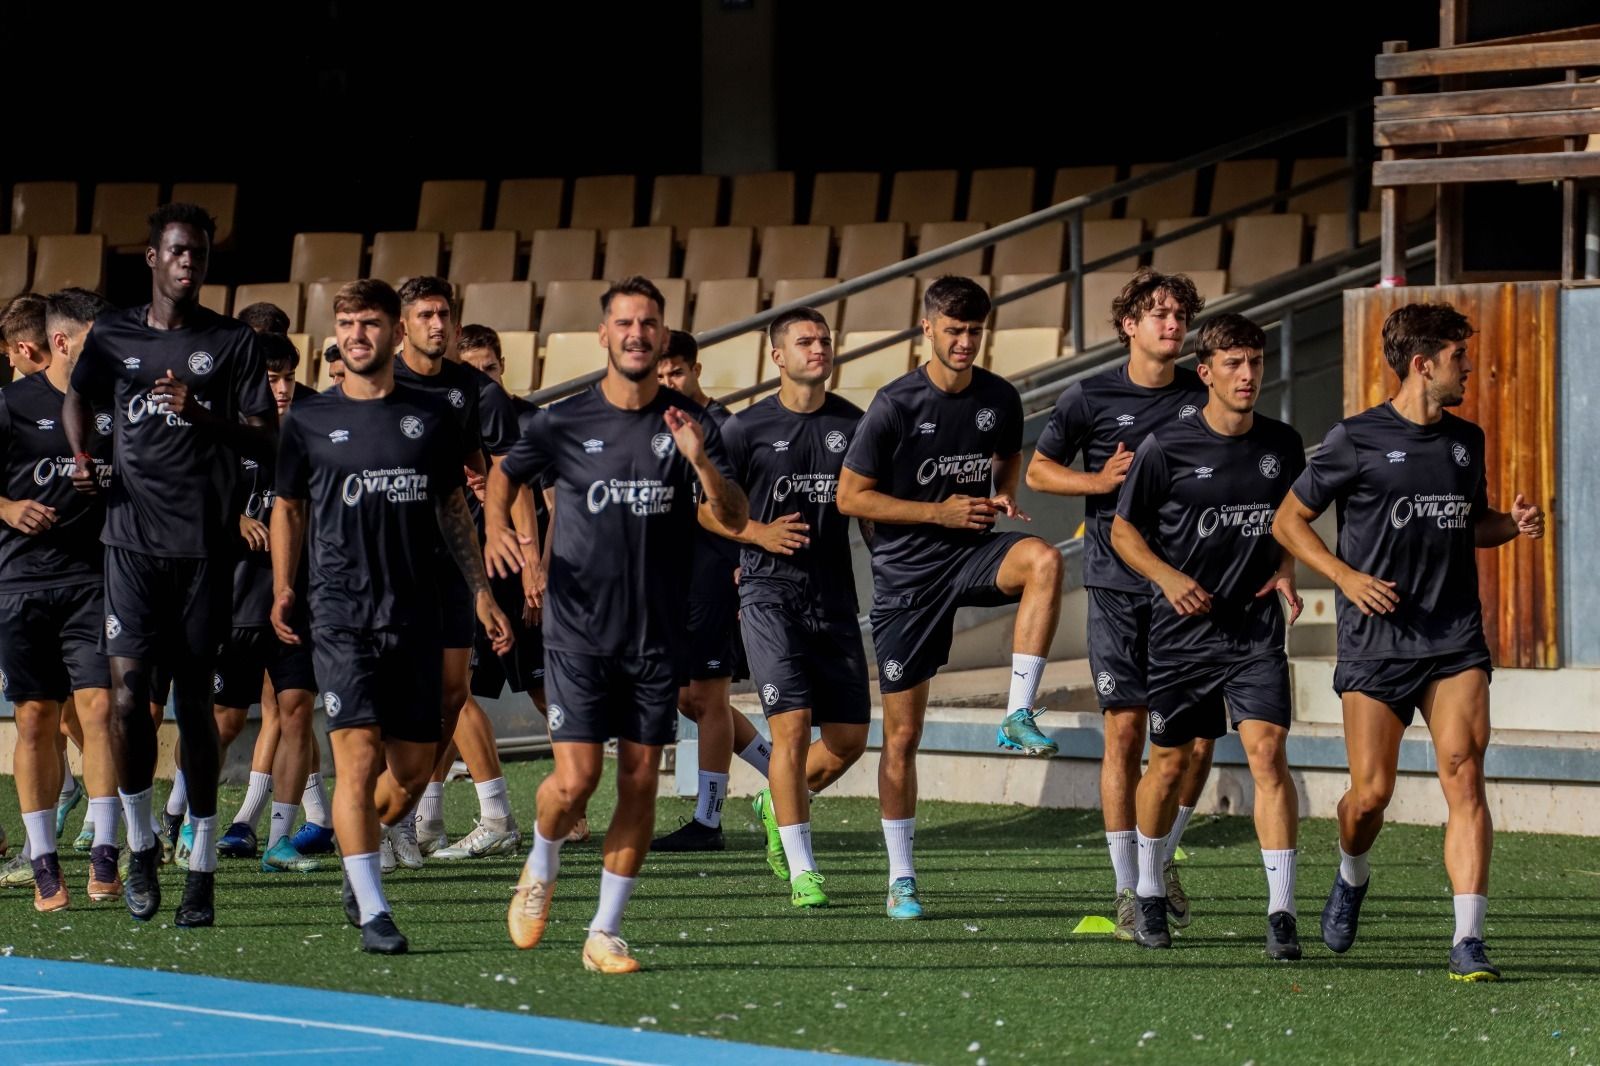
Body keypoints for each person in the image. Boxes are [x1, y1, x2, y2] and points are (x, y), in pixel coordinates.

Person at [1272, 302, 1544, 982]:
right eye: (1459, 357)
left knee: (1464, 769)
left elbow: (1467, 521)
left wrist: (1509, 526)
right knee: (1370, 797)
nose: (1469, 367)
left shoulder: (1466, 440)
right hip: (1377, 642)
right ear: (1423, 363)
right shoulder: (1353, 440)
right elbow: (1288, 520)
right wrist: (1344, 577)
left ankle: (1469, 938)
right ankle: (1351, 873)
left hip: (1454, 638)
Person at [485, 276, 748, 973]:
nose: (637, 333)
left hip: (657, 639)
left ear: (663, 336)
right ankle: (539, 867)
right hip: (576, 633)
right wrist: (495, 532)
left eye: (649, 323)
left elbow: (735, 517)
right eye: (625, 322)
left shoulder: (690, 424)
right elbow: (505, 476)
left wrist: (700, 463)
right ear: (604, 335)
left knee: (638, 781)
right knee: (575, 781)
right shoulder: (560, 422)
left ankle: (604, 931)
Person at [270, 278, 511, 953]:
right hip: (341, 614)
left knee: (407, 773)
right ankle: (374, 907)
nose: (357, 335)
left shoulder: (431, 420)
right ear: (335, 335)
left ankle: (360, 851)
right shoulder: (309, 419)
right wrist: (284, 585)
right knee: (356, 756)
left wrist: (481, 590)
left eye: (369, 323)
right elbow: (287, 506)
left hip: (418, 613)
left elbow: (451, 508)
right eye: (346, 324)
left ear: (393, 334)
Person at [64, 202, 277, 926]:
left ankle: (204, 867)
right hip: (128, 543)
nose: (189, 263)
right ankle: (142, 846)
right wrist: (85, 458)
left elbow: (264, 440)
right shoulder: (115, 333)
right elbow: (78, 395)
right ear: (152, 258)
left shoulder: (234, 342)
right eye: (179, 252)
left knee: (194, 708)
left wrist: (199, 412)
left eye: (201, 255)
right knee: (126, 703)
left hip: (204, 549)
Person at [837, 276, 1063, 920]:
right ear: (927, 329)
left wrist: (1003, 491)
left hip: (972, 553)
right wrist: (938, 513)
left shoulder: (999, 396)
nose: (964, 343)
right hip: (908, 576)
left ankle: (1019, 712)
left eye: (974, 333)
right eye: (953, 331)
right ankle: (901, 878)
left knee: (1044, 560)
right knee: (902, 738)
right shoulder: (893, 404)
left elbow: (1008, 452)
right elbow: (851, 497)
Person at [1108, 313, 1305, 957]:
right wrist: (1166, 578)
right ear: (1206, 372)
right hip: (1182, 634)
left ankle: (1281, 913)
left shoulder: (1284, 444)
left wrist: (1284, 571)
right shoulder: (1167, 446)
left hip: (1253, 632)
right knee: (1167, 765)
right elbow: (1122, 532)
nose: (1247, 375)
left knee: (1267, 754)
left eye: (1255, 362)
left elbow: (1289, 523)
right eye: (1233, 364)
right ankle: (1148, 892)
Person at [1025, 267, 1213, 937]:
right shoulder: (1090, 396)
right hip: (1115, 585)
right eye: (1158, 313)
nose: (1171, 324)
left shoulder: (1205, 393)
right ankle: (1130, 887)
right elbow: (1037, 470)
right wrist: (1095, 478)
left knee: (1192, 744)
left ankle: (1159, 855)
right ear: (1129, 325)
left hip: (1191, 588)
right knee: (1127, 733)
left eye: (1180, 315)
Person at [707, 307, 869, 906]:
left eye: (825, 340)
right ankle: (804, 871)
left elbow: (871, 504)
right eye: (805, 341)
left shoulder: (857, 424)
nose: (818, 348)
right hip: (768, 591)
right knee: (792, 728)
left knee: (850, 738)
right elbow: (708, 510)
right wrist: (757, 533)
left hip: (834, 593)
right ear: (777, 356)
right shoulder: (743, 430)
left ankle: (775, 800)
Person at [373, 277, 524, 870]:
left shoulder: (474, 390)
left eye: (445, 315)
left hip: (447, 565)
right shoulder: (378, 383)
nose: (438, 325)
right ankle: (380, 821)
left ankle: (404, 814)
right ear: (403, 324)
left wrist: (496, 547)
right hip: (384, 567)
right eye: (425, 315)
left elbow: (484, 471)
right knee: (389, 701)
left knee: (453, 694)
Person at [0, 289, 117, 908]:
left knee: (99, 711)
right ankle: (43, 858)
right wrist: (8, 506)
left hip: (93, 582)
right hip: (20, 585)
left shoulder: (112, 405)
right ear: (64, 340)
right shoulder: (11, 405)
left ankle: (105, 848)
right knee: (35, 719)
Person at [651, 329, 773, 854]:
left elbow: (739, 504)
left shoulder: (725, 427)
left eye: (675, 372)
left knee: (707, 696)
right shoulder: (655, 423)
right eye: (658, 375)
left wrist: (749, 554)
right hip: (673, 577)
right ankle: (786, 772)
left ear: (697, 369)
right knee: (687, 699)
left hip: (714, 573)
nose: (667, 383)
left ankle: (709, 819)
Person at [211, 331, 323, 872]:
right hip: (234, 599)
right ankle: (189, 819)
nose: (280, 389)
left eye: (287, 377)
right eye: (269, 378)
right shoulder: (225, 433)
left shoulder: (310, 433)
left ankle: (278, 838)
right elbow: (186, 497)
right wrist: (231, 516)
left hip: (297, 599)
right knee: (226, 720)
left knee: (297, 708)